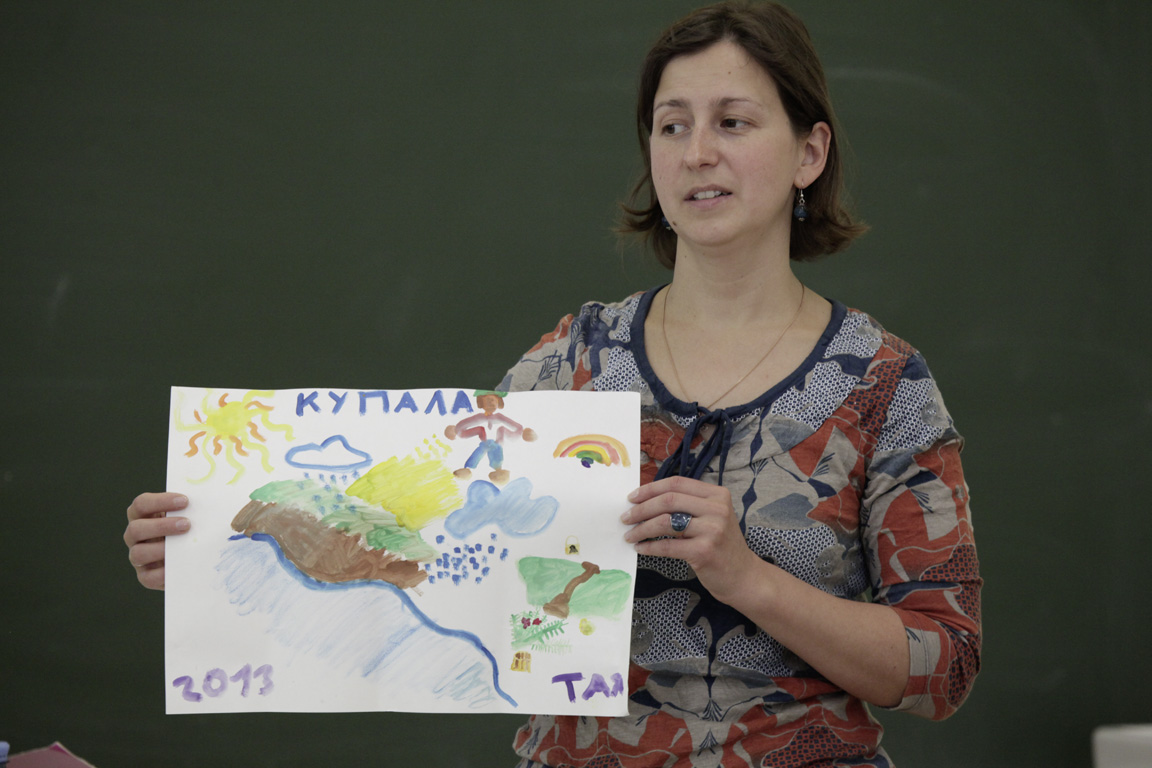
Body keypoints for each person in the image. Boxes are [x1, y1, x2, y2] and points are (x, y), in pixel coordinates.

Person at [125, 2, 982, 765]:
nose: (697, 153)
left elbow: (945, 666)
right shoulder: (570, 364)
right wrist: (212, 552)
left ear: (809, 151)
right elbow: (438, 555)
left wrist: (749, 578)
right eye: (671, 126)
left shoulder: (883, 384)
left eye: (734, 122)